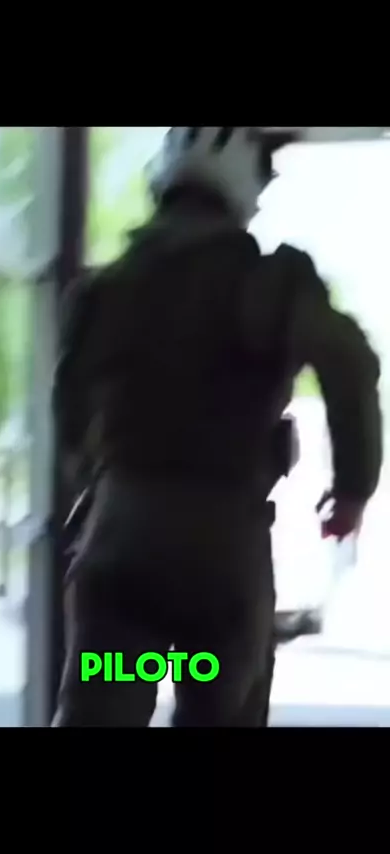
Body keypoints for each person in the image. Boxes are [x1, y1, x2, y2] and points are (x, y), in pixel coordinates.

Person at [51, 127, 382, 727]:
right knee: (218, 705)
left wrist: (101, 489)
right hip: (218, 562)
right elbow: (348, 361)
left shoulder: (105, 289)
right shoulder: (267, 281)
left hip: (121, 548)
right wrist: (353, 488)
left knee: (103, 706)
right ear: (244, 183)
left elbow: (69, 412)